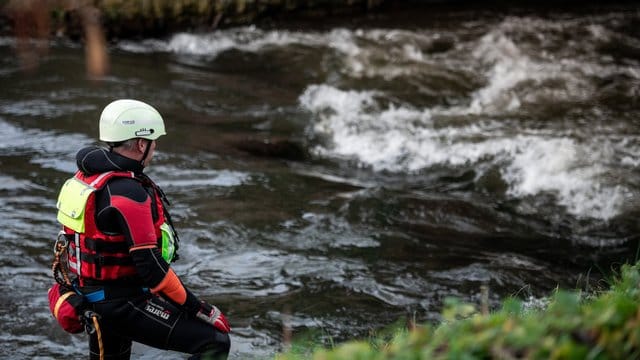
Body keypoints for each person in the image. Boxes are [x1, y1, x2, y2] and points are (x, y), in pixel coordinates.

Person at [55, 99, 230, 359]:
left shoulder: (87, 177)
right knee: (214, 342)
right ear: (141, 143)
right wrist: (200, 308)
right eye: (154, 141)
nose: (155, 147)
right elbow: (151, 269)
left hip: (91, 298)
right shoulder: (128, 193)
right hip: (120, 304)